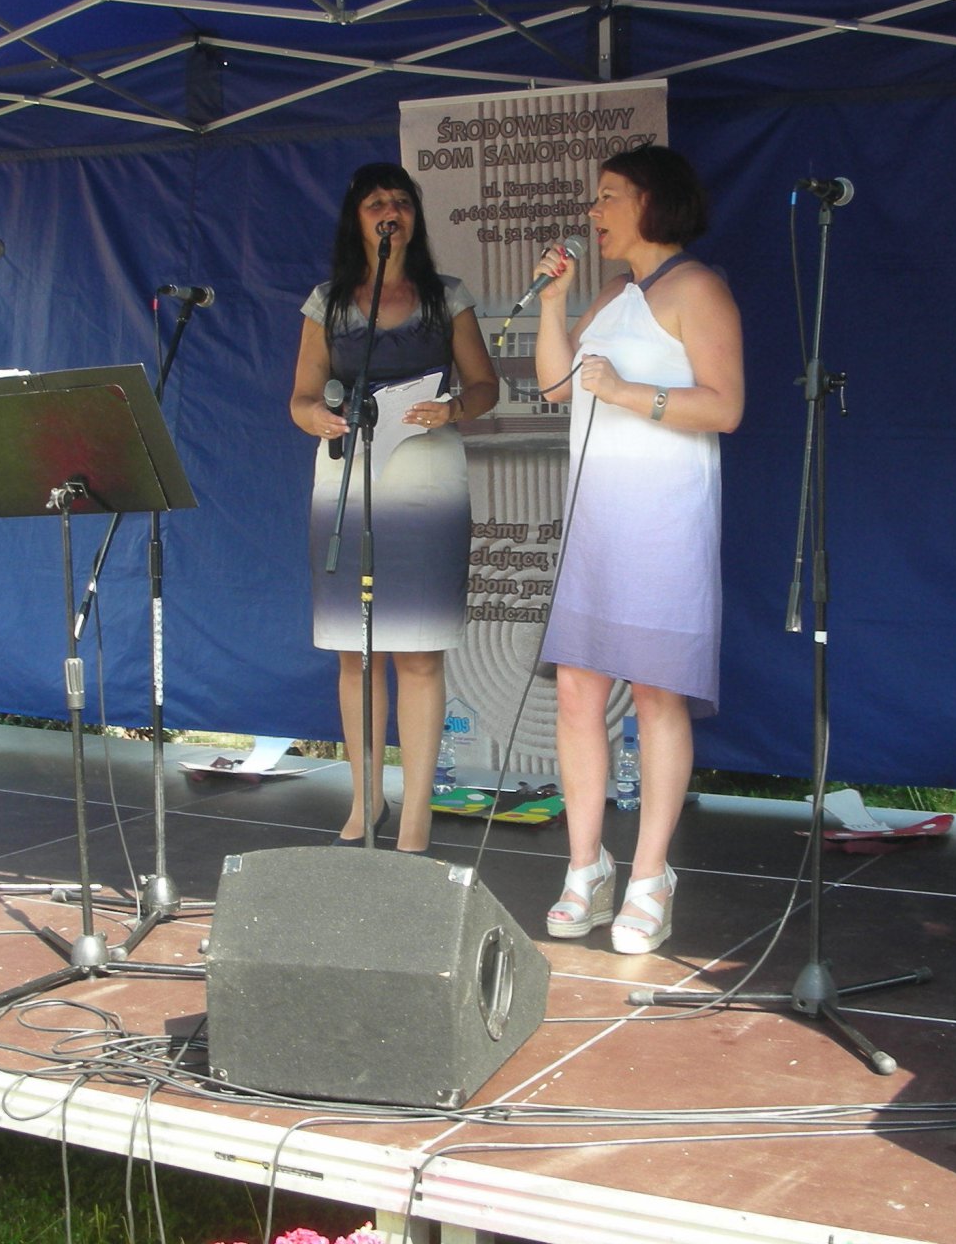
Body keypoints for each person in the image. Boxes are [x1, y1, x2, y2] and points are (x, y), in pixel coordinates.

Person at [530, 144, 744, 953]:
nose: (595, 212)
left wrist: (627, 392)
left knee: (657, 695)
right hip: (596, 524)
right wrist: (554, 307)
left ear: (654, 201)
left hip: (664, 523)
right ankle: (585, 867)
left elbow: (725, 407)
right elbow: (555, 388)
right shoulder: (614, 293)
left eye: (609, 196)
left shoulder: (699, 289)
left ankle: (651, 876)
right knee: (578, 692)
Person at [290, 162, 499, 853]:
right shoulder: (327, 302)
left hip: (426, 477)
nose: (391, 212)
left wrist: (454, 408)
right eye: (377, 202)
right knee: (356, 652)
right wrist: (314, 417)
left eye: (402, 202)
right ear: (357, 218)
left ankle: (416, 812)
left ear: (416, 217)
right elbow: (301, 396)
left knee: (418, 652)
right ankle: (365, 799)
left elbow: (486, 386)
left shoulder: (447, 296)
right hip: (348, 475)